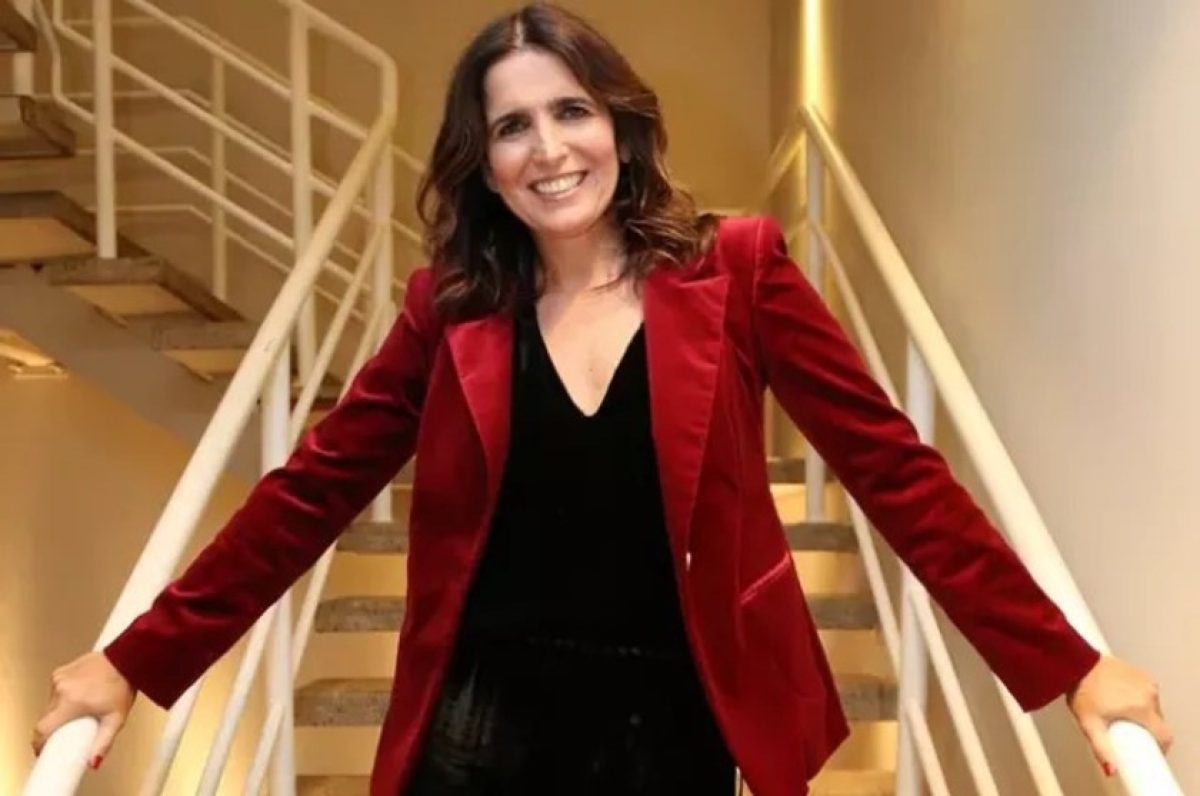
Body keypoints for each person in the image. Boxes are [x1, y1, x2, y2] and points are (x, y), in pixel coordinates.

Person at [33, 4, 1172, 795]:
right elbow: (307, 495)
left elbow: (896, 473)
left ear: (620, 124)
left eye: (570, 111)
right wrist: (136, 661)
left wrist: (1068, 665)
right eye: (511, 127)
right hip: (478, 721)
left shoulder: (741, 271)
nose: (549, 149)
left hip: (670, 718)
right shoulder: (450, 310)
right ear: (484, 165)